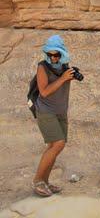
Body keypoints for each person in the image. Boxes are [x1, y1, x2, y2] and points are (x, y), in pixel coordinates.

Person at [32, 35, 74, 197]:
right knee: (57, 144)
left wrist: (70, 75)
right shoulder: (42, 67)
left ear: (62, 53)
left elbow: (64, 82)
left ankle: (45, 181)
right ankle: (37, 181)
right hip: (45, 111)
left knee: (56, 146)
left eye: (56, 54)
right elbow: (44, 92)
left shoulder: (64, 65)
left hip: (60, 111)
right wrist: (63, 78)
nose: (53, 58)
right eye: (50, 55)